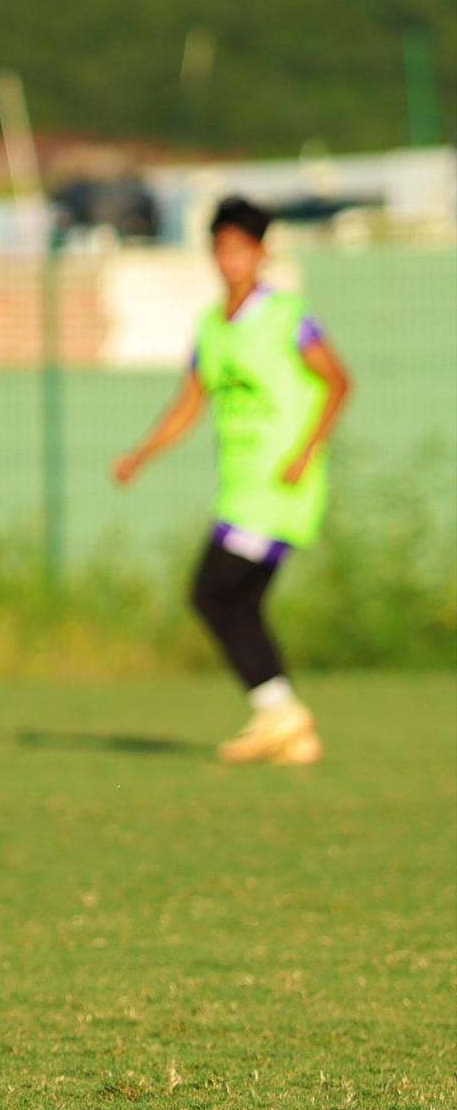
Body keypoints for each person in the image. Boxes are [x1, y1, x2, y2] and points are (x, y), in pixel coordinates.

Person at [114, 196, 351, 764]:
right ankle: (290, 730)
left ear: (261, 253)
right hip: (240, 488)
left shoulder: (288, 315)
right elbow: (189, 401)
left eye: (241, 249)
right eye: (221, 249)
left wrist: (304, 452)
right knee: (237, 602)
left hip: (279, 489)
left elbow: (338, 382)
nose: (230, 260)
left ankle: (280, 712)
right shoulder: (211, 327)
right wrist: (142, 453)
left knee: (213, 591)